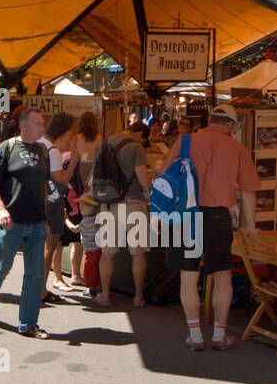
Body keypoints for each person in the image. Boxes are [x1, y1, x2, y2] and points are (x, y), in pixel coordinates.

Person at [158, 103, 258, 351]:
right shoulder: (237, 148)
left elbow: (165, 178)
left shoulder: (185, 141)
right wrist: (250, 226)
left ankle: (195, 335)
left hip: (185, 215)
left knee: (188, 276)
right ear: (231, 125)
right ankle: (219, 335)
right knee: (222, 275)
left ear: (210, 119)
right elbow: (248, 193)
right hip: (217, 218)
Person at [0, 108, 51, 338]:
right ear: (23, 125)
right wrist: (0, 209)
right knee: (1, 267)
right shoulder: (7, 148)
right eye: (38, 123)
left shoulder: (42, 150)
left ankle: (28, 323)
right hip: (10, 222)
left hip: (36, 222)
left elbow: (44, 188)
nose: (41, 128)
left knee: (35, 274)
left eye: (42, 124)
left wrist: (46, 218)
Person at [96, 118, 153, 307]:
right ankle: (138, 296)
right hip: (133, 203)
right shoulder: (136, 148)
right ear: (140, 135)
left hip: (109, 204)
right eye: (144, 140)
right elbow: (144, 179)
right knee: (137, 253)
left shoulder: (105, 143)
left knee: (107, 253)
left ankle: (104, 295)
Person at [38, 112, 78, 304]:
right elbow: (61, 178)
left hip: (39, 200)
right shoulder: (52, 150)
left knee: (43, 247)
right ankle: (41, 290)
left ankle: (39, 287)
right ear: (61, 134)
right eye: (69, 135)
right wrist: (74, 162)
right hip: (51, 201)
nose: (70, 140)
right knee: (50, 245)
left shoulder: (39, 143)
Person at [61, 111, 102, 290]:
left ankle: (75, 274)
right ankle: (90, 274)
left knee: (78, 237)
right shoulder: (101, 140)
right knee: (91, 231)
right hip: (92, 190)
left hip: (76, 189)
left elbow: (69, 161)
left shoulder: (75, 139)